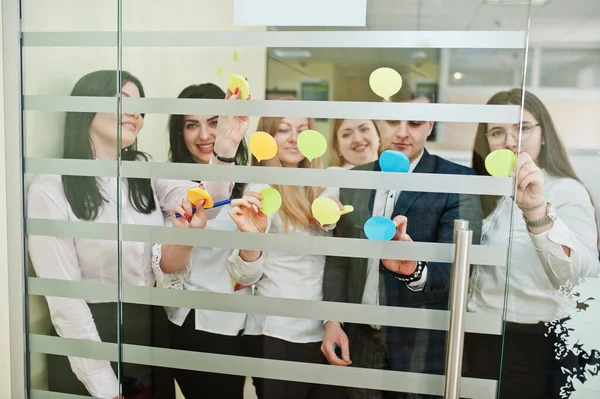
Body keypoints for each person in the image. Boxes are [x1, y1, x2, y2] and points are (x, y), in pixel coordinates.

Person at [26, 70, 249, 399]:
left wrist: (226, 145)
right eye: (122, 101)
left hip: (149, 332)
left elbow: (209, 205)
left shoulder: (145, 168)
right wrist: (104, 385)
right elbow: (65, 301)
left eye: (139, 107)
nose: (134, 113)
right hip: (88, 339)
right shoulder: (51, 186)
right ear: (85, 107)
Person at [321, 85, 482, 399]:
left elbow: (459, 271)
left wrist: (414, 270)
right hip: (360, 337)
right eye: (393, 121)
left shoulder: (456, 181)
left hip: (421, 341)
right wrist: (332, 319)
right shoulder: (355, 179)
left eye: (415, 123)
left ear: (430, 126)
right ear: (378, 122)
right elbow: (340, 258)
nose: (403, 132)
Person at [466, 88, 600, 399]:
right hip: (480, 336)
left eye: (522, 128)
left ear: (543, 134)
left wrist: (536, 213)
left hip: (532, 341)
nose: (510, 141)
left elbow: (584, 276)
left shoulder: (565, 190)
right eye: (497, 132)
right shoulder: (484, 192)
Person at [226, 115, 346, 399]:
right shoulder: (260, 190)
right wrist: (251, 240)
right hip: (276, 332)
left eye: (303, 131)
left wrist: (330, 213)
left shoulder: (325, 184)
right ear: (266, 137)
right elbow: (243, 274)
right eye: (283, 130)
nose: (294, 138)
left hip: (324, 330)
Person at [151, 82, 251, 399]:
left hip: (244, 321)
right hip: (198, 323)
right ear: (179, 132)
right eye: (192, 125)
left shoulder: (248, 176)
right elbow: (207, 202)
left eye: (213, 122)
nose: (205, 135)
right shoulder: (171, 179)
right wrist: (224, 152)